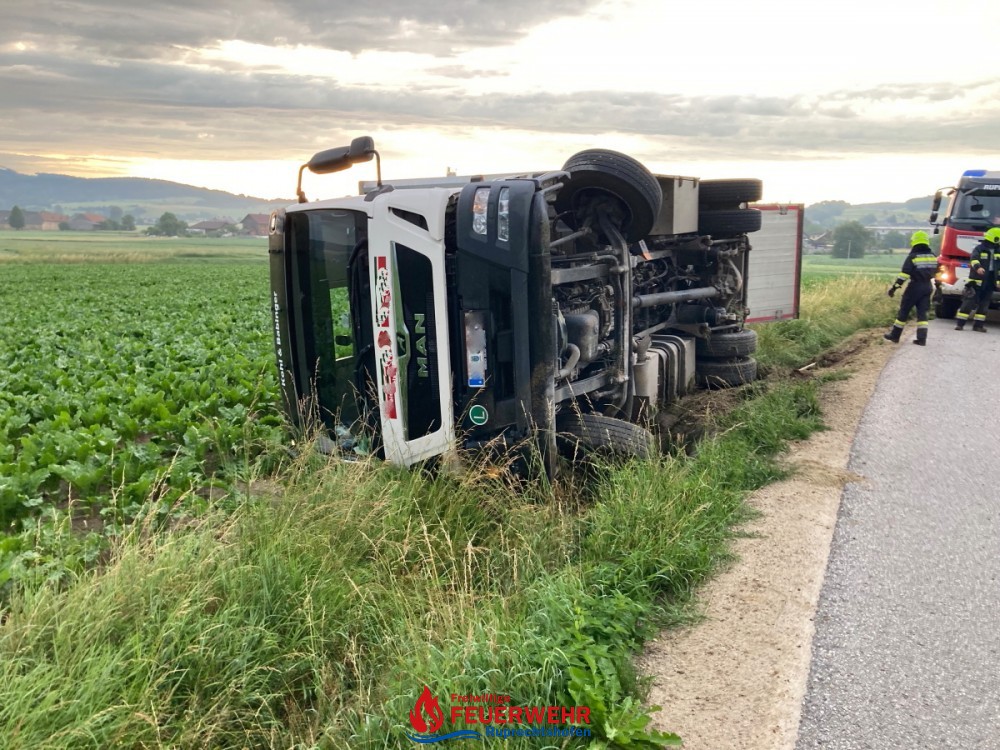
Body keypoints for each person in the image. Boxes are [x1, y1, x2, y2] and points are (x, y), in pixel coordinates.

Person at [884, 230, 938, 346]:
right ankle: (922, 339)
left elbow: (904, 275)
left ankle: (895, 336)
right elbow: (937, 273)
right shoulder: (933, 256)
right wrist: (938, 288)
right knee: (923, 313)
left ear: (914, 242)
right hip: (928, 286)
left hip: (915, 287)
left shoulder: (913, 256)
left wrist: (894, 288)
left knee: (904, 311)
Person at [955, 227, 1000, 332]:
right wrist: (978, 268)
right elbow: (974, 259)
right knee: (968, 302)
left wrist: (998, 282)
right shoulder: (979, 248)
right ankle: (960, 324)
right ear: (996, 238)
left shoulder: (998, 250)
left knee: (984, 304)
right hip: (977, 281)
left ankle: (978, 326)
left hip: (990, 281)